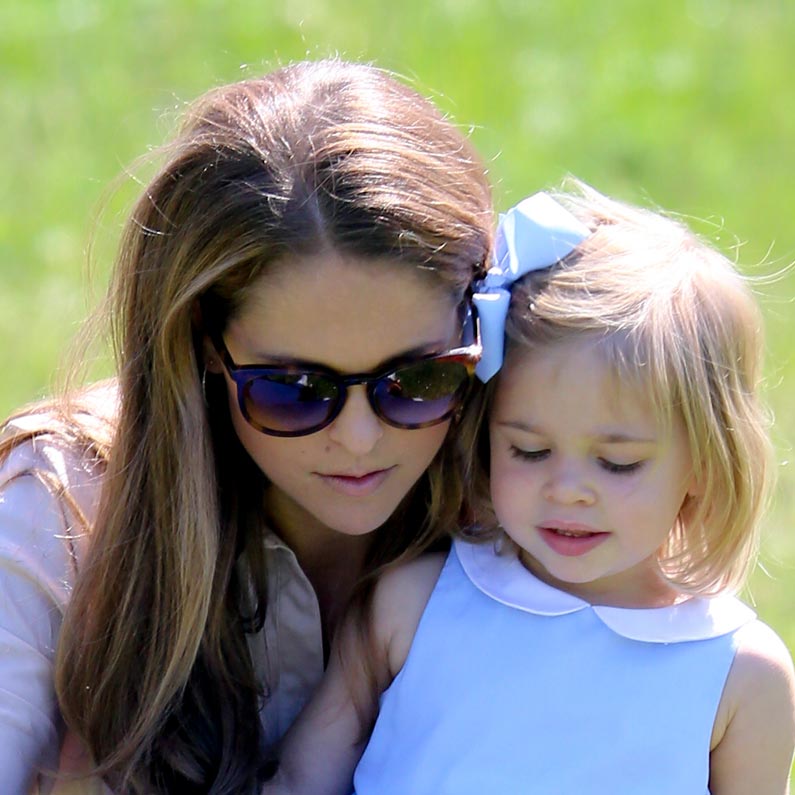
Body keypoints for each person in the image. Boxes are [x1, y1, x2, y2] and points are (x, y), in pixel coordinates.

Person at [0, 58, 493, 794]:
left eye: (415, 381)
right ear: (201, 343)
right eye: (294, 391)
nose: (359, 439)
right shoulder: (58, 510)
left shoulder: (550, 493)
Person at [266, 183, 795, 794]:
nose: (568, 490)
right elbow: (300, 778)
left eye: (618, 463)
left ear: (705, 464)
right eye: (531, 451)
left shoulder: (736, 673)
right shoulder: (415, 605)